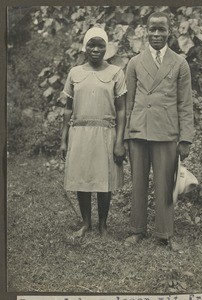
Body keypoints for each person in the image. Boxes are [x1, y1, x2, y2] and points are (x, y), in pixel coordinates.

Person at [124, 12, 194, 249]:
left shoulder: (180, 63)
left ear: (169, 32)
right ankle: (137, 230)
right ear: (145, 31)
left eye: (161, 30)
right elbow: (129, 102)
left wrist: (185, 138)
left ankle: (165, 234)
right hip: (138, 131)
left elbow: (185, 103)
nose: (156, 34)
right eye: (152, 29)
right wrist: (125, 136)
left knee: (165, 184)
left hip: (166, 132)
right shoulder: (134, 63)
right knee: (138, 182)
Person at [60, 27, 126, 238]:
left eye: (100, 45)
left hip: (106, 132)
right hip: (79, 132)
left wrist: (119, 142)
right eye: (91, 44)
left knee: (103, 180)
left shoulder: (116, 72)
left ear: (106, 48)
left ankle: (103, 225)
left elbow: (122, 109)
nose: (95, 49)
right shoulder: (75, 73)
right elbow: (68, 108)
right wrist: (64, 138)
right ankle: (86, 223)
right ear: (84, 47)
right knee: (82, 177)